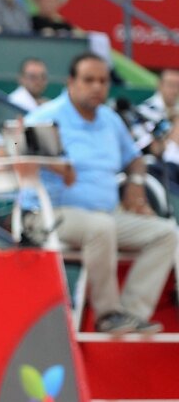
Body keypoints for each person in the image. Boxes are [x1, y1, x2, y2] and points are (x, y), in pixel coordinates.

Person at [24, 53, 177, 333]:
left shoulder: (110, 119)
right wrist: (54, 164)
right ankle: (107, 314)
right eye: (89, 80)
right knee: (101, 226)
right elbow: (6, 152)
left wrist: (135, 183)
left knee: (166, 232)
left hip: (106, 214)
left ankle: (131, 313)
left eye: (103, 81)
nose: (97, 87)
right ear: (71, 82)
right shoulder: (45, 117)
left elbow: (135, 158)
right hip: (49, 214)